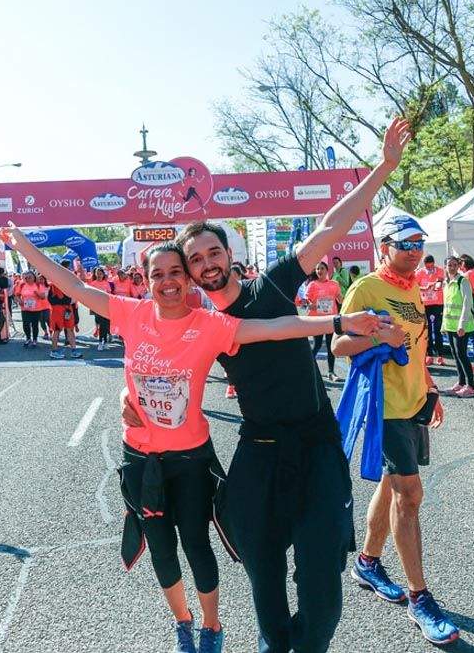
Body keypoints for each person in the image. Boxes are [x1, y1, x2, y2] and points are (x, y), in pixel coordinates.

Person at [3, 224, 381, 653]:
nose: (168, 281)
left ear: (189, 280)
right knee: (182, 556)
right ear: (146, 282)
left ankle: (232, 629)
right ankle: (203, 627)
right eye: (157, 274)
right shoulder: (131, 314)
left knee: (220, 554)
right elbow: (71, 284)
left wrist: (337, 322)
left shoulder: (210, 325)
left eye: (176, 272)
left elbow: (277, 328)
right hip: (147, 456)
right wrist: (26, 247)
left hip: (215, 455)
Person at [125, 117, 412, 653]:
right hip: (258, 452)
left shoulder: (275, 284)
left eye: (214, 253)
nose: (207, 264)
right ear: (187, 275)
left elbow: (330, 225)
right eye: (196, 261)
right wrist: (129, 398)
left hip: (317, 445)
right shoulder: (201, 325)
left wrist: (385, 167)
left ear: (228, 254)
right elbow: (153, 364)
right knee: (264, 576)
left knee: (322, 582)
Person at [334, 214, 459, 647]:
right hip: (383, 405)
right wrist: (378, 340)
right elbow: (339, 344)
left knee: (391, 486)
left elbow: (417, 345)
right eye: (405, 242)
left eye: (418, 242)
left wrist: (429, 386)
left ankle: (367, 562)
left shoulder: (414, 290)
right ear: (384, 245)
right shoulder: (366, 287)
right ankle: (420, 597)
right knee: (410, 494)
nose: (414, 249)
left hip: (413, 401)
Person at [443, 256, 474, 397]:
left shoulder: (462, 282)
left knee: (462, 354)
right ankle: (461, 383)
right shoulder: (447, 282)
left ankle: (471, 387)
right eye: (449, 265)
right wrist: (444, 325)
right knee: (456, 355)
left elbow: (467, 304)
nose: (451, 267)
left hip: (462, 326)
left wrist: (462, 324)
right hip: (450, 325)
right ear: (445, 266)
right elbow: (446, 306)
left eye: (454, 265)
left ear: (458, 266)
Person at [304, 261, 343, 382]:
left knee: (332, 346)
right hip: (317, 320)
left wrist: (346, 301)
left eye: (321, 268)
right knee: (317, 345)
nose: (319, 271)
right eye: (317, 269)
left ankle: (331, 372)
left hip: (331, 319)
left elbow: (340, 299)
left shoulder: (334, 284)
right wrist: (310, 305)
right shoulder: (312, 284)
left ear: (327, 270)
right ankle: (307, 370)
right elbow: (306, 300)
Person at [416, 255, 446, 366]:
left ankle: (440, 356)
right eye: (427, 266)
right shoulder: (419, 273)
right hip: (425, 304)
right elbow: (415, 286)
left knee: (438, 330)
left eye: (431, 266)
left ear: (434, 263)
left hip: (438, 304)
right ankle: (429, 355)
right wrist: (425, 288)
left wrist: (435, 285)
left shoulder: (439, 270)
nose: (429, 268)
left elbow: (440, 282)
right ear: (424, 265)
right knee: (426, 330)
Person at [48, 264, 81, 359]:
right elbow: (51, 300)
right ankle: (54, 351)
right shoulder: (53, 284)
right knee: (57, 330)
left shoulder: (69, 283)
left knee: (70, 329)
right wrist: (67, 301)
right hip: (58, 309)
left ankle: (74, 350)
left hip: (68, 308)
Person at [14, 271, 44, 348]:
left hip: (36, 309)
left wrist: (37, 294)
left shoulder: (38, 285)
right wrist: (19, 300)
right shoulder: (22, 285)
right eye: (26, 277)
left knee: (35, 325)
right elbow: (16, 295)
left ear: (34, 277)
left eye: (29, 277)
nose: (27, 279)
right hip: (25, 308)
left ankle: (34, 339)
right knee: (26, 324)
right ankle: (28, 338)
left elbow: (43, 297)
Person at [87, 267, 113, 350]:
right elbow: (90, 294)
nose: (99, 275)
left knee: (105, 324)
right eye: (97, 273)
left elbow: (109, 294)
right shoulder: (93, 283)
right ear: (95, 274)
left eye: (100, 273)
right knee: (100, 323)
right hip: (97, 306)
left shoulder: (106, 283)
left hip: (105, 306)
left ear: (103, 274)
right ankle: (100, 342)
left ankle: (104, 342)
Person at [36, 274, 52, 338]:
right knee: (41, 321)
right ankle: (45, 333)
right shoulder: (36, 287)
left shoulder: (48, 286)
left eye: (42, 279)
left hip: (47, 306)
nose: (41, 280)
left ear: (44, 279)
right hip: (38, 307)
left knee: (48, 319)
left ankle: (51, 332)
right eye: (39, 279)